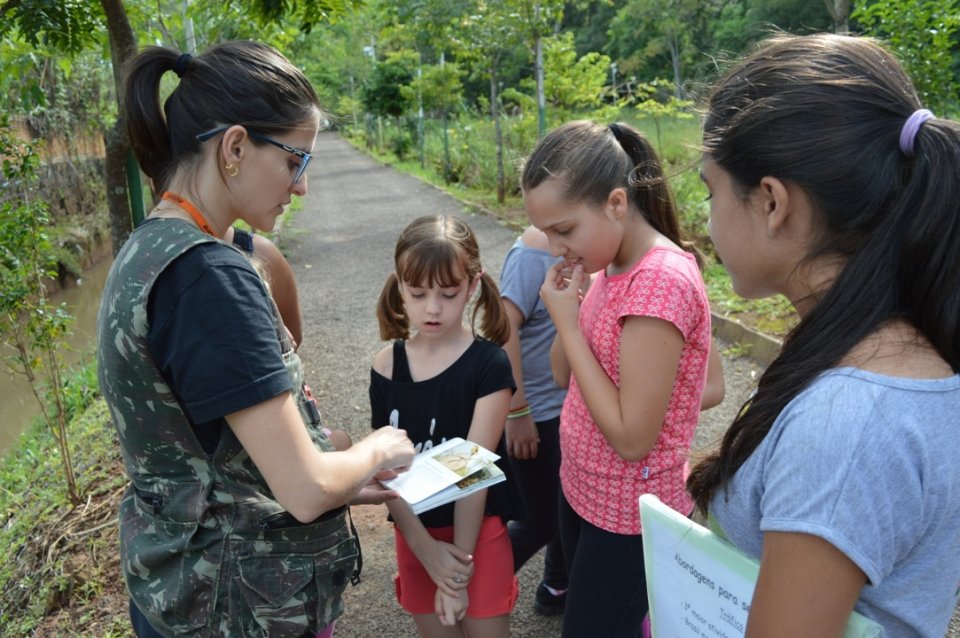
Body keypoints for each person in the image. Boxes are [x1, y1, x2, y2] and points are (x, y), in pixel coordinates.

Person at [97, 41, 415, 638]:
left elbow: (212, 449)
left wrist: (340, 464)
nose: (300, 187)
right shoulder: (211, 277)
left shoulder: (149, 248)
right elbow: (305, 489)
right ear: (236, 146)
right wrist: (378, 449)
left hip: (177, 586)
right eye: (297, 160)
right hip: (233, 605)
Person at [686, 33, 960, 637]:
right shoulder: (892, 343)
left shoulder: (848, 426)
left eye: (710, 191)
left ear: (772, 202)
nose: (706, 219)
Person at [522, 120, 713, 636]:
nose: (557, 248)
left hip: (629, 514)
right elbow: (565, 376)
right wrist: (571, 310)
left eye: (565, 230)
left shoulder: (659, 282)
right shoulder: (608, 266)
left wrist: (566, 321)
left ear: (615, 203)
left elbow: (633, 439)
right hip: (583, 486)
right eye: (548, 234)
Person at [370, 214, 521, 637]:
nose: (432, 307)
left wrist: (456, 568)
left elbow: (474, 472)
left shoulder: (489, 365)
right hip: (415, 537)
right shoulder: (386, 366)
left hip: (478, 537)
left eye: (448, 293)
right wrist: (425, 550)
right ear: (399, 285)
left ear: (473, 286)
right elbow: (385, 470)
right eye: (417, 293)